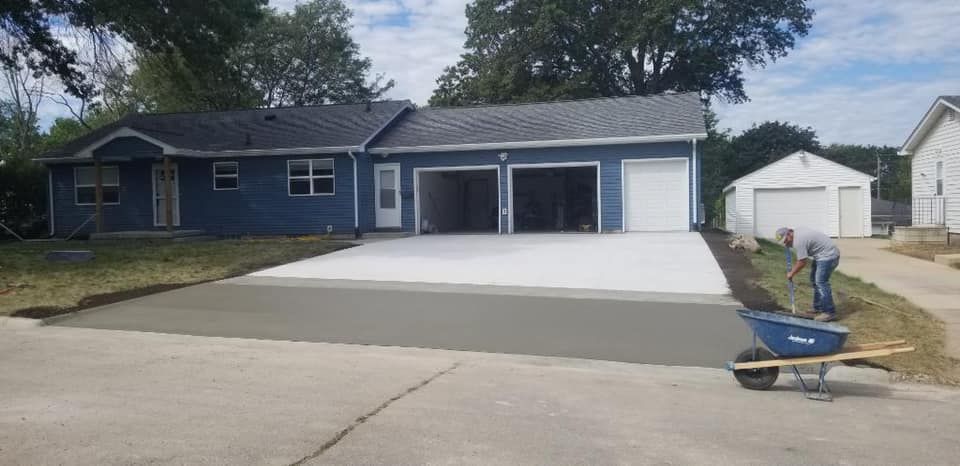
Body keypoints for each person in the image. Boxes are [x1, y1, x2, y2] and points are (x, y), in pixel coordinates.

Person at [775, 227, 841, 322]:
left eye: (786, 240)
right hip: (821, 255)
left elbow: (802, 262)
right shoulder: (796, 235)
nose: (786, 244)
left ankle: (829, 312)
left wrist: (791, 273)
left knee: (821, 282)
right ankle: (818, 308)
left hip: (829, 256)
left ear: (790, 233)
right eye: (784, 242)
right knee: (814, 280)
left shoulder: (799, 240)